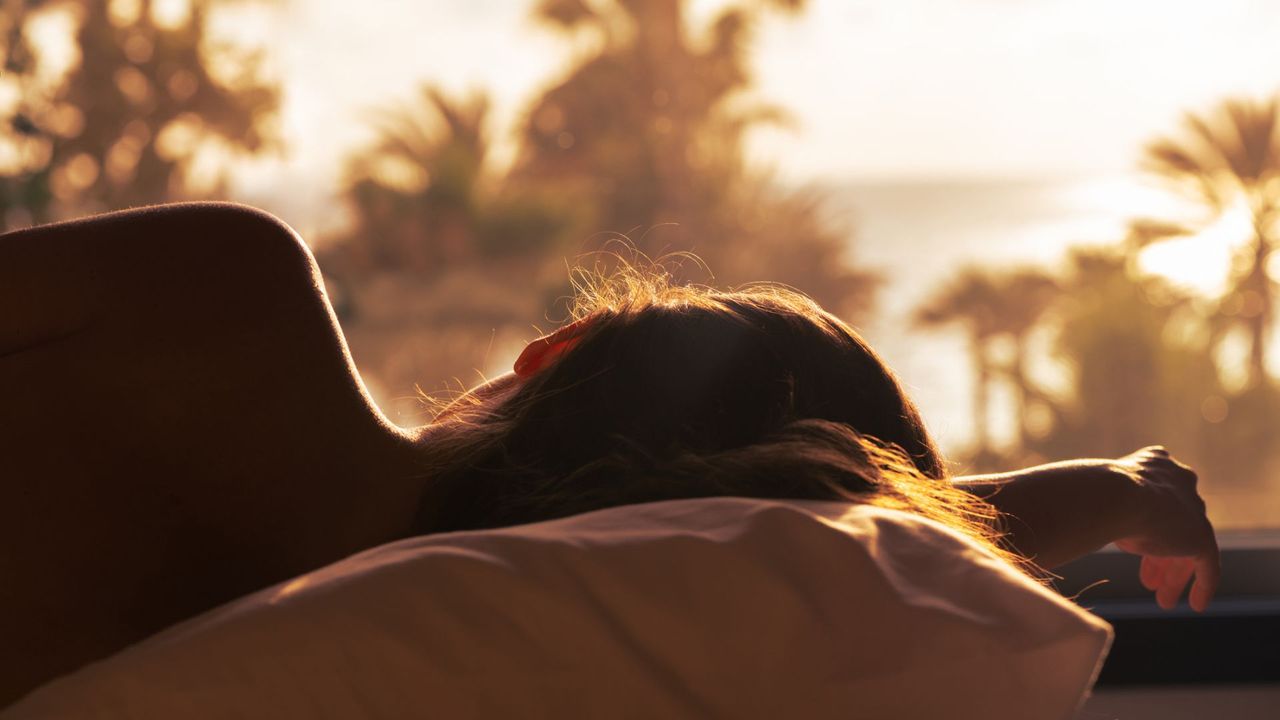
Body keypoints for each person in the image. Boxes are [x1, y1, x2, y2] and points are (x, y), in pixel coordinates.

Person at [0, 202, 1219, 704]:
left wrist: (1110, 489)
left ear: (551, 349)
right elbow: (788, 548)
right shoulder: (524, 657)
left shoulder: (232, 296)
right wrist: (1101, 493)